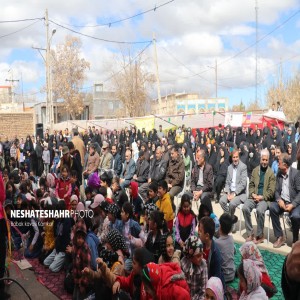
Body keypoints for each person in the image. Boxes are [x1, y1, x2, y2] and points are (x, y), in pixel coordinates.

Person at [242, 149, 276, 243]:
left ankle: (260, 235)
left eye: (266, 160)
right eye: (263, 159)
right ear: (260, 159)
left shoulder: (271, 174)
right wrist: (253, 194)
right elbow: (251, 184)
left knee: (260, 210)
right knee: (245, 208)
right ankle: (250, 233)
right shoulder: (255, 170)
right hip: (254, 196)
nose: (264, 162)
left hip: (264, 199)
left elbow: (271, 191)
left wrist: (261, 197)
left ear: (268, 160)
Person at [270, 153, 300, 248]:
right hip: (283, 202)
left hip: (293, 202)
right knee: (272, 208)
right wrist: (279, 200)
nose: (277, 164)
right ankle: (280, 236)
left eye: (279, 162)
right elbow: (276, 191)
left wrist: (293, 204)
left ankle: (295, 239)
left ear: (285, 165)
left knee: (295, 216)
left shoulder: (296, 174)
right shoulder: (279, 174)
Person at [219, 149, 247, 233]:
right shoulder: (229, 167)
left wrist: (234, 194)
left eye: (236, 157)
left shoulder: (243, 167)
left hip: (240, 193)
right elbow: (227, 182)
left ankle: (229, 222)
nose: (235, 159)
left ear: (239, 157)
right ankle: (231, 219)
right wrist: (227, 192)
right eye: (234, 157)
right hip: (230, 192)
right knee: (221, 201)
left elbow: (243, 184)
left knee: (232, 204)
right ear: (231, 158)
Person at [44, 200, 72, 272]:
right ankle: (57, 260)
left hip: (63, 249)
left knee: (52, 268)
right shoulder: (58, 220)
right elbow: (56, 235)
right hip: (57, 248)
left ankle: (63, 261)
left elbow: (65, 237)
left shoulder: (67, 220)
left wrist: (60, 250)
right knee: (45, 262)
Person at [66, 220, 91, 300]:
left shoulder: (85, 250)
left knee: (80, 297)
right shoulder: (75, 247)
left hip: (83, 281)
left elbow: (87, 269)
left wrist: (83, 284)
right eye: (78, 237)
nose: (79, 240)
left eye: (82, 238)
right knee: (74, 297)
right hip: (76, 279)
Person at [198, 216, 224, 287]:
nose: (198, 232)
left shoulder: (215, 254)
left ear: (207, 236)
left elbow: (216, 279)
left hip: (211, 283)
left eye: (200, 231)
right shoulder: (200, 244)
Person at [181, 236, 207, 300]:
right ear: (190, 257)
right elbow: (180, 285)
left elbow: (203, 291)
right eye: (198, 256)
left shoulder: (203, 265)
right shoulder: (183, 263)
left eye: (202, 254)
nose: (201, 257)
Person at [191, 149, 214, 214]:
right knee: (186, 196)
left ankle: (206, 216)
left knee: (204, 198)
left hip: (205, 190)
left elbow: (209, 184)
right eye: (196, 158)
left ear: (203, 159)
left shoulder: (209, 168)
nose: (196, 160)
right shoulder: (195, 167)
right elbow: (192, 181)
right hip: (196, 189)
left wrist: (200, 192)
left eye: (198, 158)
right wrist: (193, 191)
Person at [215, 213, 236, 283]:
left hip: (223, 277)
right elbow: (234, 252)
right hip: (232, 274)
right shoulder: (231, 239)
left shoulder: (217, 242)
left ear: (220, 226)